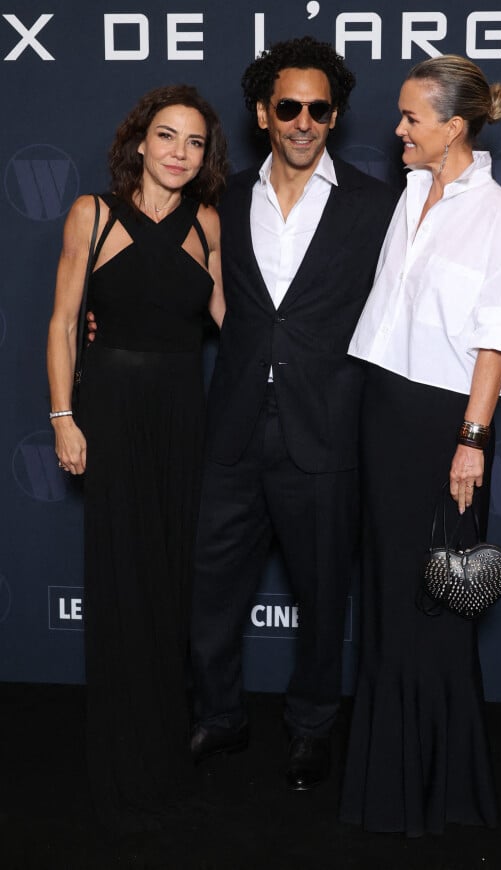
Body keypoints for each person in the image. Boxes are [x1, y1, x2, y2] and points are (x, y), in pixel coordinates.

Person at [189, 36, 398, 791]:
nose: (303, 121)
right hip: (235, 427)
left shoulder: (380, 206)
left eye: (317, 108)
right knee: (212, 587)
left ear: (334, 116)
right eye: (288, 107)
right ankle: (220, 715)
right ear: (262, 113)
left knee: (321, 595)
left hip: (327, 430)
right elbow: (193, 293)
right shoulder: (223, 199)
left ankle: (312, 727)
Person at [339, 56, 501, 836]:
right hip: (380, 410)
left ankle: (440, 791)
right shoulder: (412, 195)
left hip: (443, 425)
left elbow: (493, 344)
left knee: (435, 599)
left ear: (454, 127)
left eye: (411, 119)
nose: (397, 131)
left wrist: (471, 443)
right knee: (390, 598)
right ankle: (384, 785)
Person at [46, 84, 227, 833]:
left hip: (184, 416)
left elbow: (235, 321)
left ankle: (163, 749)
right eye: (166, 136)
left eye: (193, 142)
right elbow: (61, 324)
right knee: (120, 574)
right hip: (112, 416)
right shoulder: (91, 215)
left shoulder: (210, 222)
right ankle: (118, 759)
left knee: (169, 577)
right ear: (140, 142)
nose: (178, 153)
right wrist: (64, 417)